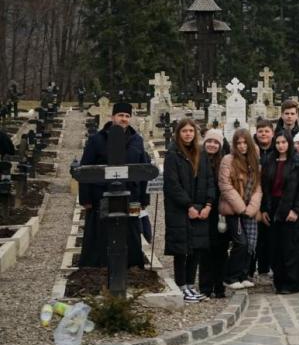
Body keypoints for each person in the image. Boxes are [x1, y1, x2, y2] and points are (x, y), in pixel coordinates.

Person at [77, 102, 150, 268]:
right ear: (112, 117)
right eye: (120, 115)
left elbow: (144, 170)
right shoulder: (97, 139)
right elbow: (85, 169)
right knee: (100, 232)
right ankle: (98, 268)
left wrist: (144, 199)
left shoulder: (137, 140)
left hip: (131, 195)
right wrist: (86, 199)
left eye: (127, 116)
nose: (124, 119)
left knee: (131, 232)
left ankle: (131, 267)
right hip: (101, 195)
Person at [163, 118, 215, 303]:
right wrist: (188, 206)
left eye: (191, 131)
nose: (188, 134)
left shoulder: (201, 153)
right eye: (184, 131)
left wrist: (208, 205)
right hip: (180, 209)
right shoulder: (173, 154)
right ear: (178, 133)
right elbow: (172, 185)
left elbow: (209, 180)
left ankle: (191, 285)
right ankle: (181, 285)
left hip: (200, 208)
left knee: (196, 248)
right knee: (181, 250)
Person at [260, 131, 299, 294]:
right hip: (273, 208)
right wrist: (264, 209)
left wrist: (296, 210)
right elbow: (264, 187)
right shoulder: (269, 161)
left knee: (290, 248)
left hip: (290, 206)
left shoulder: (298, 162)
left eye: (284, 142)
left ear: (289, 143)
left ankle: (291, 283)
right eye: (278, 143)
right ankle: (279, 282)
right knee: (275, 248)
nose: (281, 146)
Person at [218, 128, 262, 289]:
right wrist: (241, 208)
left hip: (249, 210)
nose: (242, 146)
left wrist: (251, 209)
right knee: (241, 243)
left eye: (245, 143)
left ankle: (243, 275)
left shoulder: (254, 161)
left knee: (250, 243)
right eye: (239, 143)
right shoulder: (228, 160)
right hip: (233, 209)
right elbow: (225, 185)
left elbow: (258, 188)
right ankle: (230, 277)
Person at [199, 128, 229, 298]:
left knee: (221, 249)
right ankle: (205, 286)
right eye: (209, 141)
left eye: (216, 142)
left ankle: (219, 286)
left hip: (221, 209)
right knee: (205, 249)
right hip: (204, 209)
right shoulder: (198, 159)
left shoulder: (224, 161)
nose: (212, 145)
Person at [251, 118, 275, 281]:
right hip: (254, 200)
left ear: (272, 133)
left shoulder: (277, 150)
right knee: (254, 238)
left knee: (270, 238)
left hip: (272, 200)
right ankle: (251, 270)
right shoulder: (252, 149)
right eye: (260, 131)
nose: (263, 134)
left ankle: (267, 269)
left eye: (267, 131)